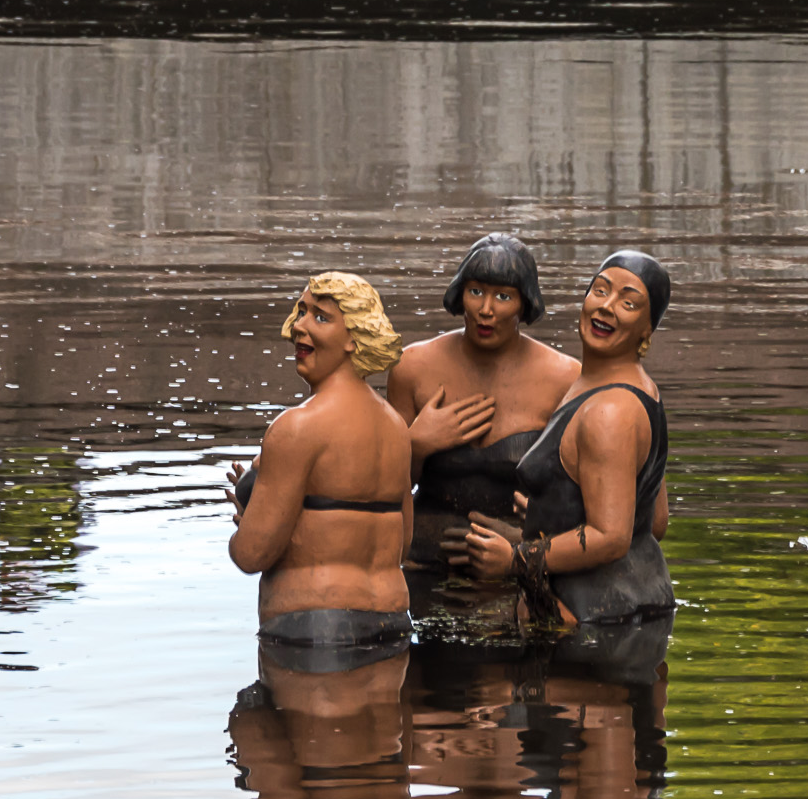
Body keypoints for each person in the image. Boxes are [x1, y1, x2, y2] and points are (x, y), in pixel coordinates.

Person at [463, 251, 675, 629]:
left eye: (628, 303)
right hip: (641, 602)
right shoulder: (640, 391)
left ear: (647, 328)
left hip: (587, 619)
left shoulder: (609, 412)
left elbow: (610, 538)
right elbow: (654, 521)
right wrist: (554, 513)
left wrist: (515, 556)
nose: (607, 307)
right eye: (600, 290)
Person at [227, 272, 415, 674]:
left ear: (354, 337)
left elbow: (251, 554)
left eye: (321, 317)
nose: (299, 326)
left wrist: (249, 519)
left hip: (312, 633)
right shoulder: (396, 428)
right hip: (393, 623)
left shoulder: (297, 427)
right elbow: (403, 543)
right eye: (301, 312)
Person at [384, 234, 582, 575]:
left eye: (503, 296)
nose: (486, 310)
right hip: (423, 560)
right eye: (476, 291)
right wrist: (414, 444)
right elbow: (380, 488)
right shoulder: (412, 367)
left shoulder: (565, 378)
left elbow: (586, 497)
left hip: (519, 562)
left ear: (525, 302)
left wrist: (531, 539)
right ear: (460, 293)